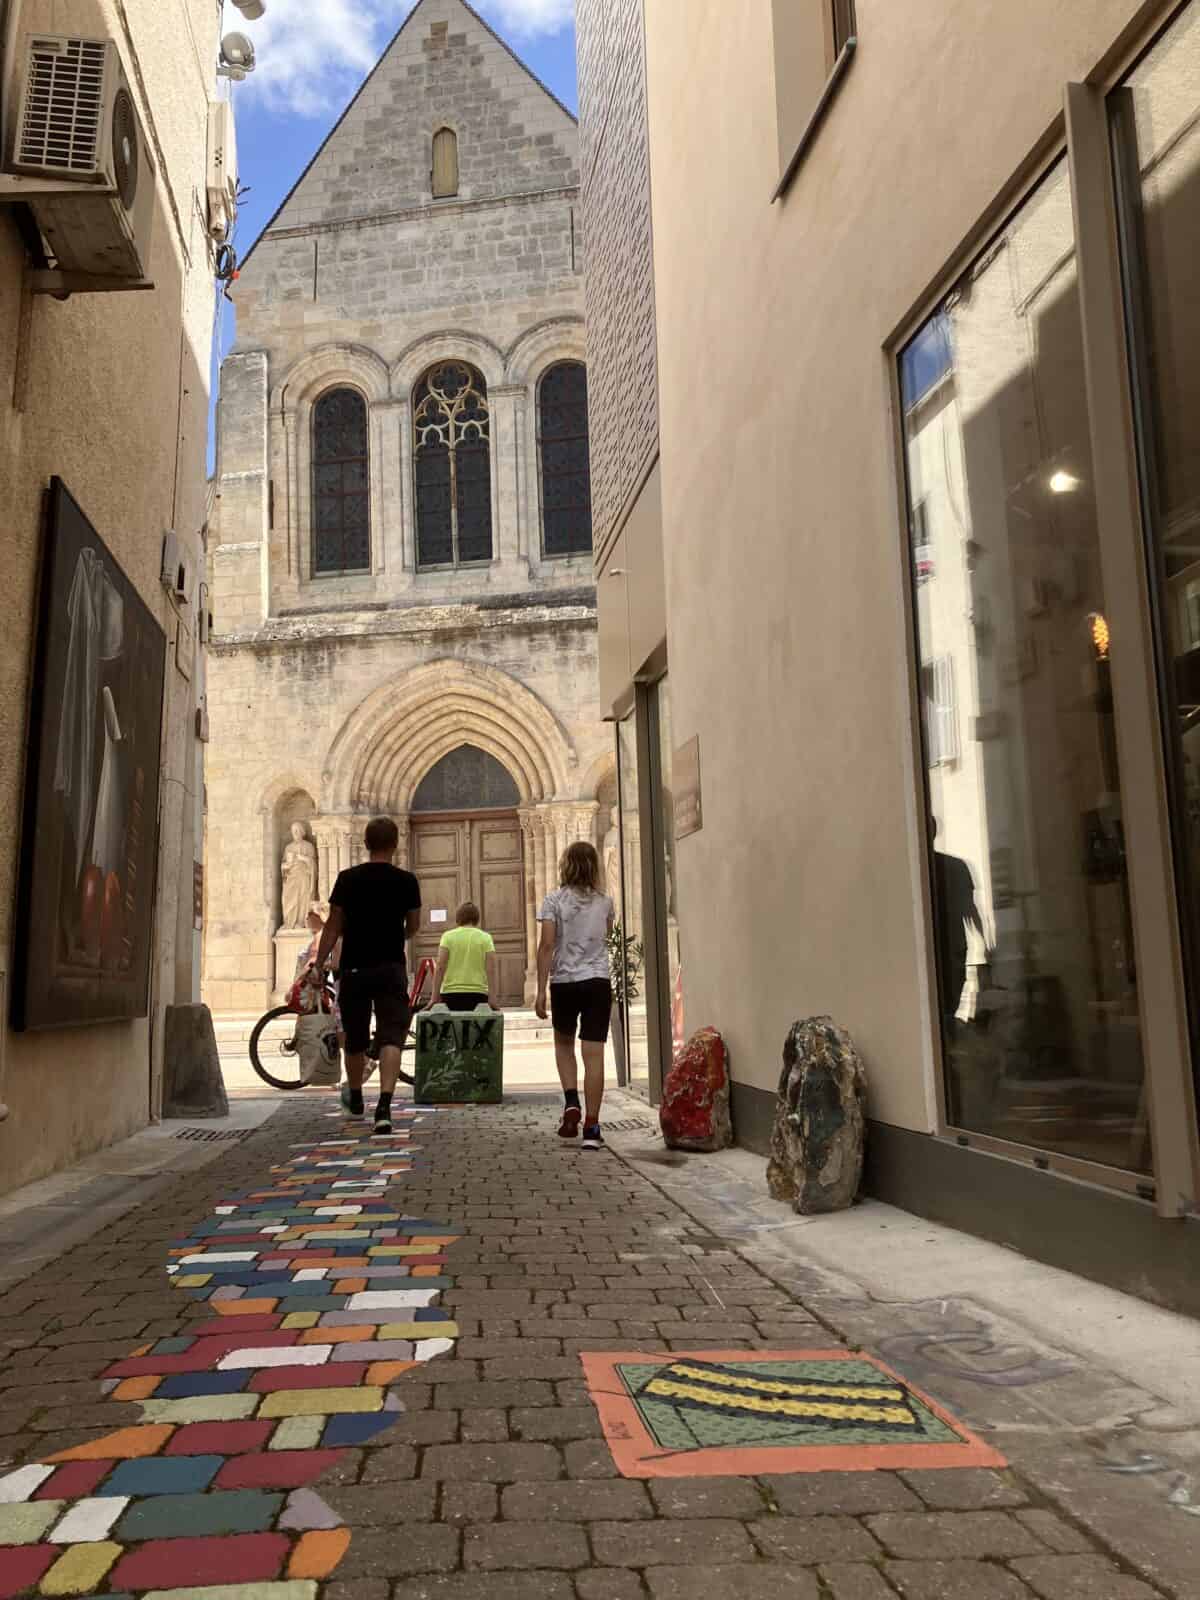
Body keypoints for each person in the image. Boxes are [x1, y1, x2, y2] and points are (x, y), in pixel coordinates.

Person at [309, 817, 421, 1134]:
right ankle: (384, 1106)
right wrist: (396, 934)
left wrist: (319, 962)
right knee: (391, 1035)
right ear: (395, 843)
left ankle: (356, 1096)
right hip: (390, 967)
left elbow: (332, 925)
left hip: (355, 968)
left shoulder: (347, 879)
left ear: (366, 843)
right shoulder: (406, 881)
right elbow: (413, 926)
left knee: (355, 1038)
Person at [536, 840, 614, 1150]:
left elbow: (546, 946)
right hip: (597, 981)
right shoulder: (606, 902)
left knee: (564, 1044)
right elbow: (604, 937)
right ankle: (592, 1127)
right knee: (593, 1054)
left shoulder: (552, 901)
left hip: (564, 981)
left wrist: (540, 990)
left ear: (564, 865)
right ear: (594, 866)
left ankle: (571, 1103)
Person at [431, 901, 500, 1012]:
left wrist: (434, 997)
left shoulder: (447, 937)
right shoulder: (486, 938)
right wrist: (492, 998)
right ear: (477, 918)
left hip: (450, 995)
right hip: (478, 995)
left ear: (458, 917)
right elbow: (490, 968)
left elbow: (440, 967)